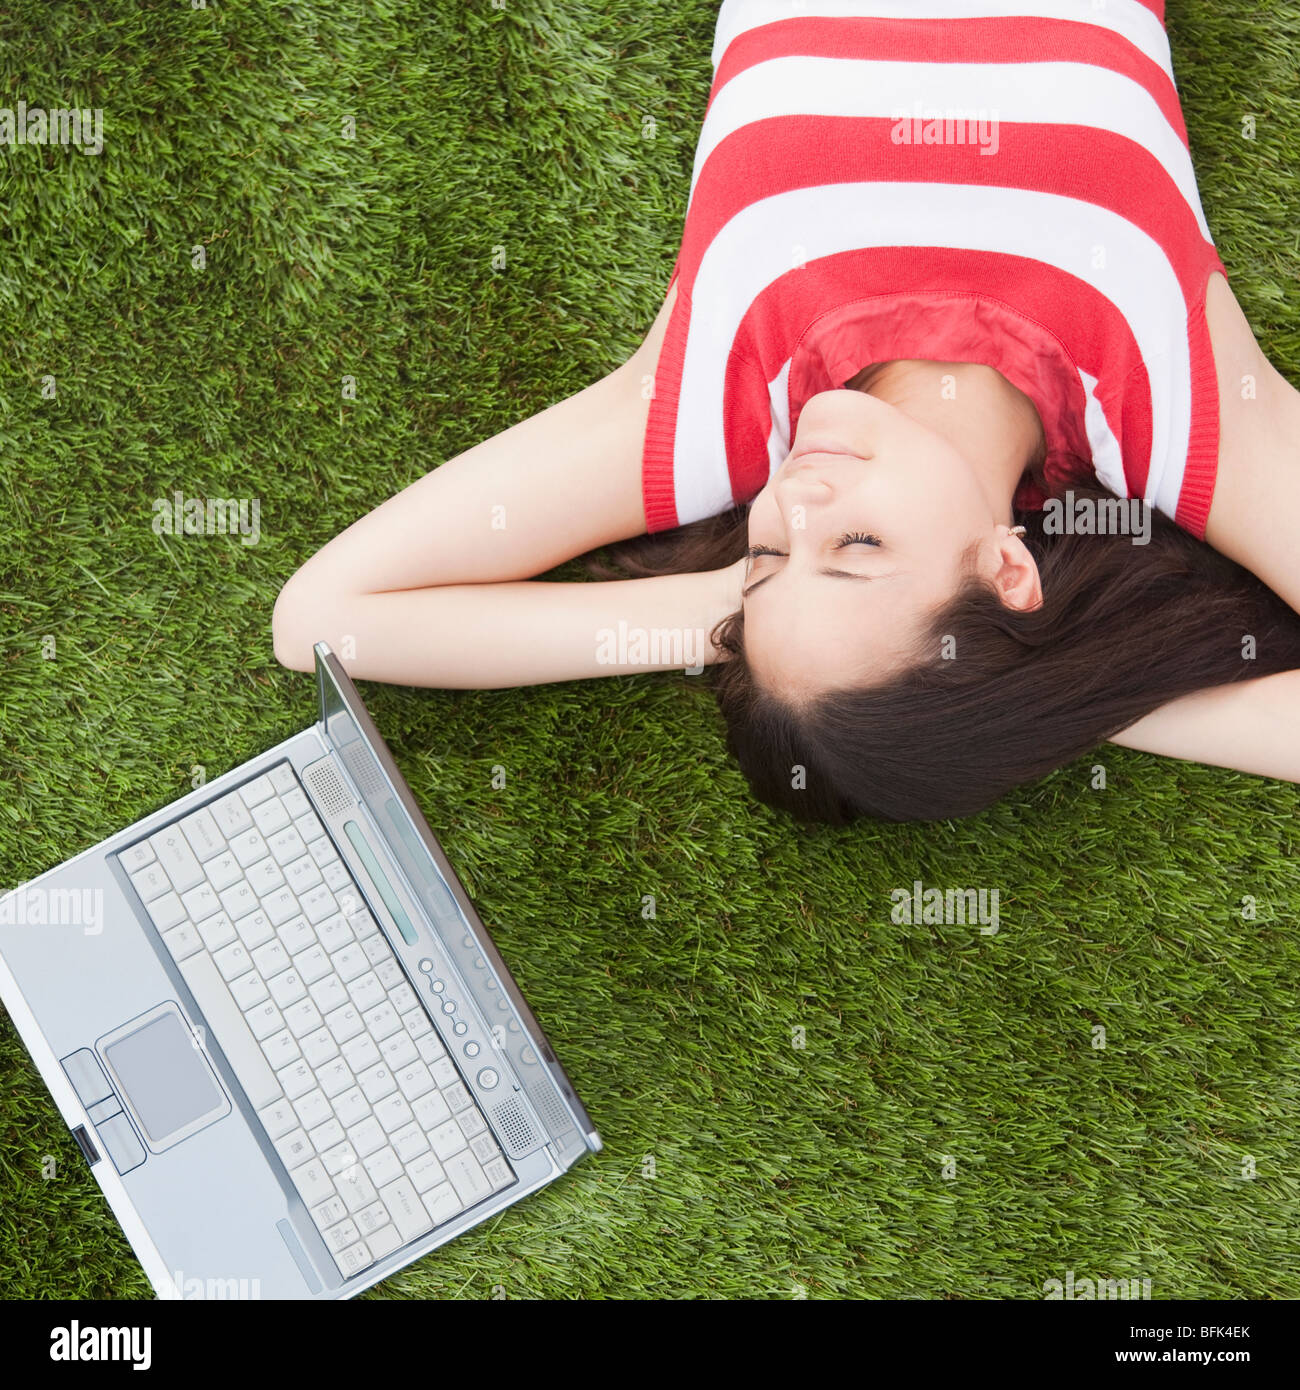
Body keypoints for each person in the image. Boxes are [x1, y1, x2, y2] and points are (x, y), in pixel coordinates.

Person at [273, 0, 1300, 823]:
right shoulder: (1183, 419)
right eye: (853, 545)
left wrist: (723, 615)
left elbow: (321, 621)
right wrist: (1050, 695)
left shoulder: (707, 413)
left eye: (767, 559)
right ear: (1007, 569)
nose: (798, 501)